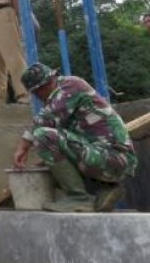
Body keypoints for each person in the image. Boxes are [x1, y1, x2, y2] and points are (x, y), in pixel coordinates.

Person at [12, 63, 136, 212]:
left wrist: (22, 147)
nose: (39, 96)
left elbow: (44, 121)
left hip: (115, 157)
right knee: (52, 162)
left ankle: (79, 198)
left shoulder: (70, 86)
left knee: (42, 135)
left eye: (38, 92)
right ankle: (105, 189)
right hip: (105, 157)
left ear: (44, 86)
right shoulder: (63, 98)